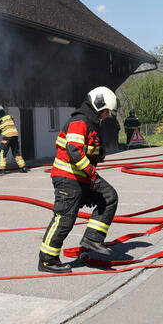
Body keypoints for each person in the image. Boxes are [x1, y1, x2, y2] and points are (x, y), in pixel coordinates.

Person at [38, 87, 120, 273]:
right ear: (99, 105)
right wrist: (93, 174)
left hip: (82, 177)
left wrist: (98, 154)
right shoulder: (79, 121)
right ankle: (47, 259)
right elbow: (74, 152)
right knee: (65, 218)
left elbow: (87, 149)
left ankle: (92, 238)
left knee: (109, 197)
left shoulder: (91, 123)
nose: (107, 115)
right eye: (106, 111)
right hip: (68, 177)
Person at [0, 105, 28, 174]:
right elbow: (11, 123)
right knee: (16, 152)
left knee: (2, 152)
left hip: (7, 137)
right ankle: (23, 167)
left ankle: (2, 169)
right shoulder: (10, 117)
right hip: (15, 136)